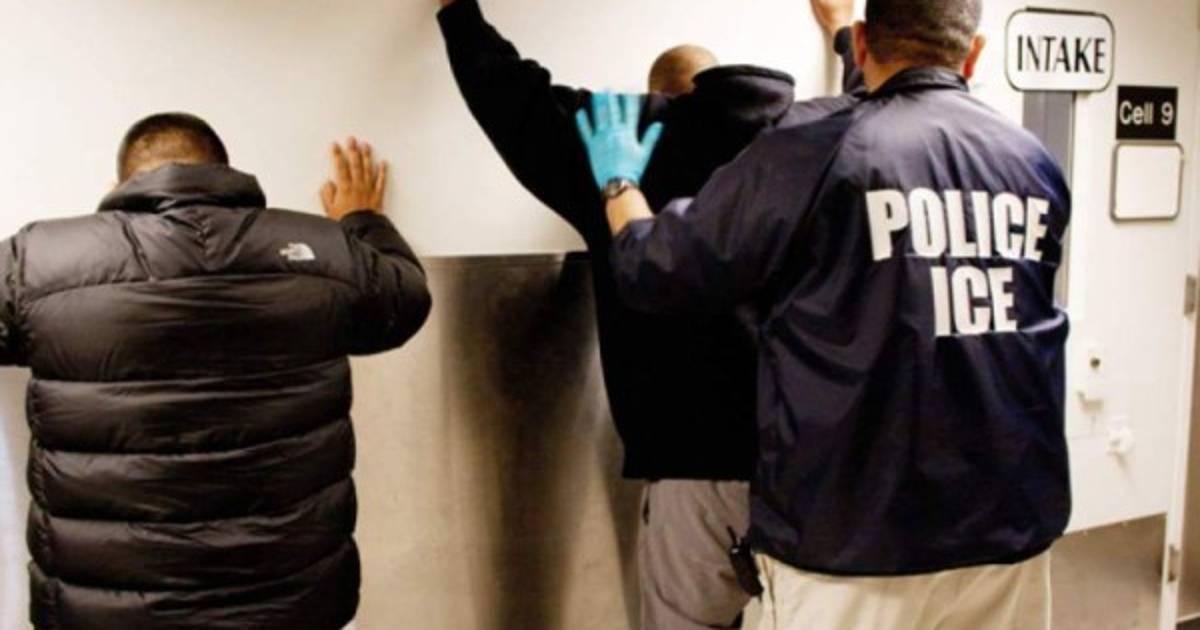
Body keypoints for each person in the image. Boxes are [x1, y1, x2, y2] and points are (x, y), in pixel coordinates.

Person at [575, 0, 1071, 627]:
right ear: (974, 54)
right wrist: (839, 34)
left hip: (856, 546)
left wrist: (619, 185)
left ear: (864, 44)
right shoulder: (1032, 161)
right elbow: (901, 135)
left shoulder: (811, 149)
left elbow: (658, 269)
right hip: (1010, 531)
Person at [436, 1, 858, 628]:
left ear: (661, 95)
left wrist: (458, 14)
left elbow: (511, 99)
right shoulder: (808, 141)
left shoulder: (621, 153)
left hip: (692, 468)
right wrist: (846, 38)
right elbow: (878, 112)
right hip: (808, 465)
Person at [4, 113, 431, 629]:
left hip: (108, 616)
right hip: (292, 605)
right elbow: (407, 300)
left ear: (119, 187)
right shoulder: (322, 250)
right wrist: (362, 220)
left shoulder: (40, 262)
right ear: (225, 174)